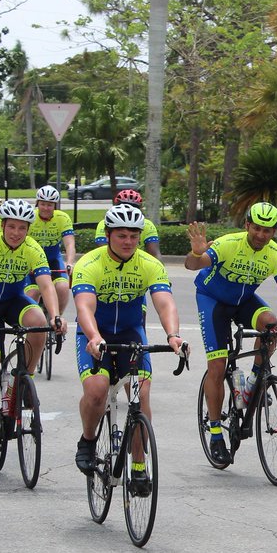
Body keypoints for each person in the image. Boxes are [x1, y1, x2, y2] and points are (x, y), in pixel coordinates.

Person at [71, 204, 186, 496]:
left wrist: (173, 335)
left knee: (141, 393)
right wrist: (94, 337)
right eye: (121, 235)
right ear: (108, 235)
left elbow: (164, 302)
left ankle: (138, 465)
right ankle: (87, 440)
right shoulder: (90, 263)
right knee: (96, 391)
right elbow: (84, 306)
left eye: (134, 236)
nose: (128, 242)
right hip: (96, 332)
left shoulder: (149, 264)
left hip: (131, 333)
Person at [185, 201, 277, 465]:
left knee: (270, 324)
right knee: (217, 366)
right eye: (257, 228)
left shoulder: (276, 254)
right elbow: (193, 265)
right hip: (213, 300)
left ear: (275, 231)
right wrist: (196, 253)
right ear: (247, 225)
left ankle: (253, 382)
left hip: (243, 301)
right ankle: (216, 433)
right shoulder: (229, 243)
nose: (262, 235)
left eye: (268, 230)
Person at [0, 199, 67, 465]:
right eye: (11, 226)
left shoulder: (32, 248)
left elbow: (46, 286)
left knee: (38, 321)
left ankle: (24, 376)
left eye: (22, 228)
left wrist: (56, 315)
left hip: (14, 300)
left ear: (28, 229)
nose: (16, 233)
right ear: (2, 226)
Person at [25, 185, 76, 318]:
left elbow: (69, 243)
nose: (46, 208)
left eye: (50, 205)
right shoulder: (30, 217)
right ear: (37, 203)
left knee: (63, 288)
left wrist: (70, 262)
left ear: (55, 205)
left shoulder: (62, 218)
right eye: (43, 204)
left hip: (53, 260)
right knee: (33, 293)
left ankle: (57, 318)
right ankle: (34, 322)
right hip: (32, 262)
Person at [93, 189, 161, 258]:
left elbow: (154, 254)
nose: (128, 211)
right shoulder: (104, 224)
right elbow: (103, 252)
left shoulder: (148, 225)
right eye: (121, 236)